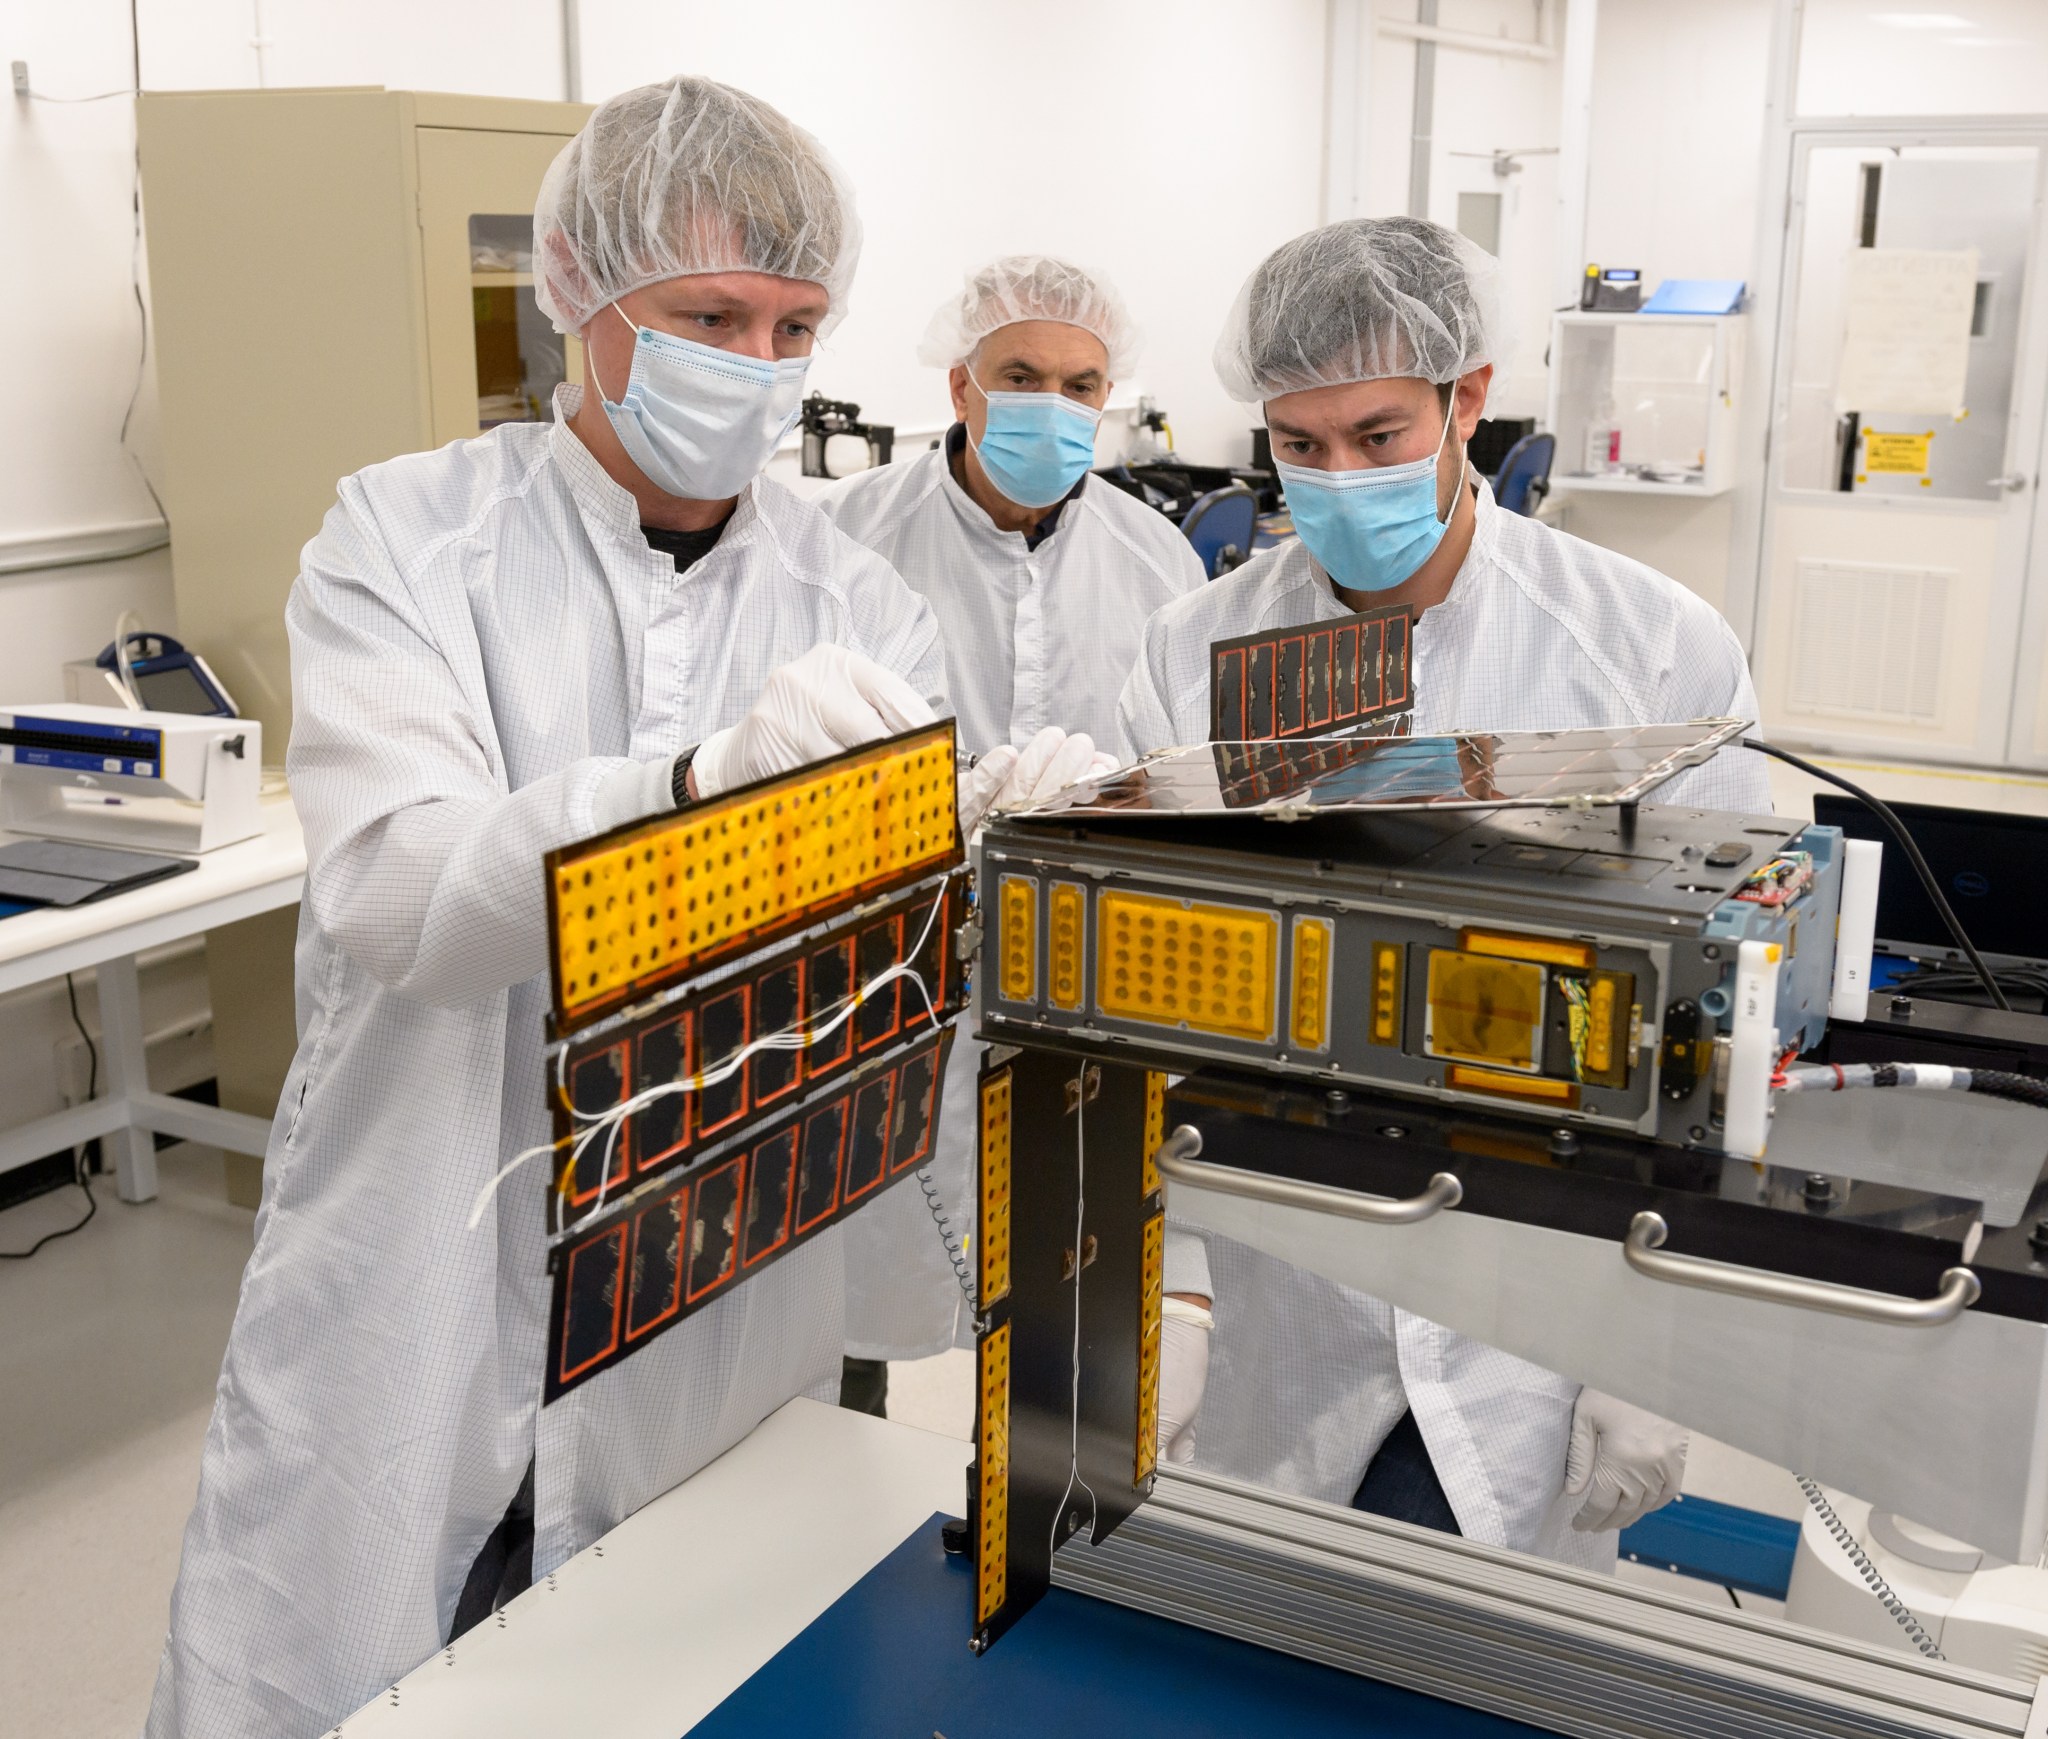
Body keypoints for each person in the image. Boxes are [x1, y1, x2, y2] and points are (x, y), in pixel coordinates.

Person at [145, 77, 1076, 1739]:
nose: (759, 363)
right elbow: (402, 896)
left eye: (793, 324)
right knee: (376, 1668)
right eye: (709, 313)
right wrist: (695, 793)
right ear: (575, 285)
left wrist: (994, 865)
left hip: (712, 1284)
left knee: (678, 1668)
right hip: (429, 1243)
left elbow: (874, 989)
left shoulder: (856, 600)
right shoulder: (409, 538)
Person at [1123, 217, 1768, 1569]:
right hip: (1287, 1276)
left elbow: (1727, 994)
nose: (1339, 480)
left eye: (1378, 434)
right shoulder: (1195, 656)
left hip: (1544, 1287)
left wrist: (1654, 1337)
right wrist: (1174, 1289)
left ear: (1469, 397)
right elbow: (1150, 992)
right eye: (1300, 447)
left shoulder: (1648, 644)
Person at [814, 255, 1204, 1409]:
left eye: (1079, 383)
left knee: (1061, 1267)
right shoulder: (850, 542)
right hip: (888, 968)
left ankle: (1033, 1505)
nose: (1051, 403)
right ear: (958, 385)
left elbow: (1179, 773)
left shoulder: (1158, 560)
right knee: (861, 1262)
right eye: (1018, 374)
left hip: (1082, 970)